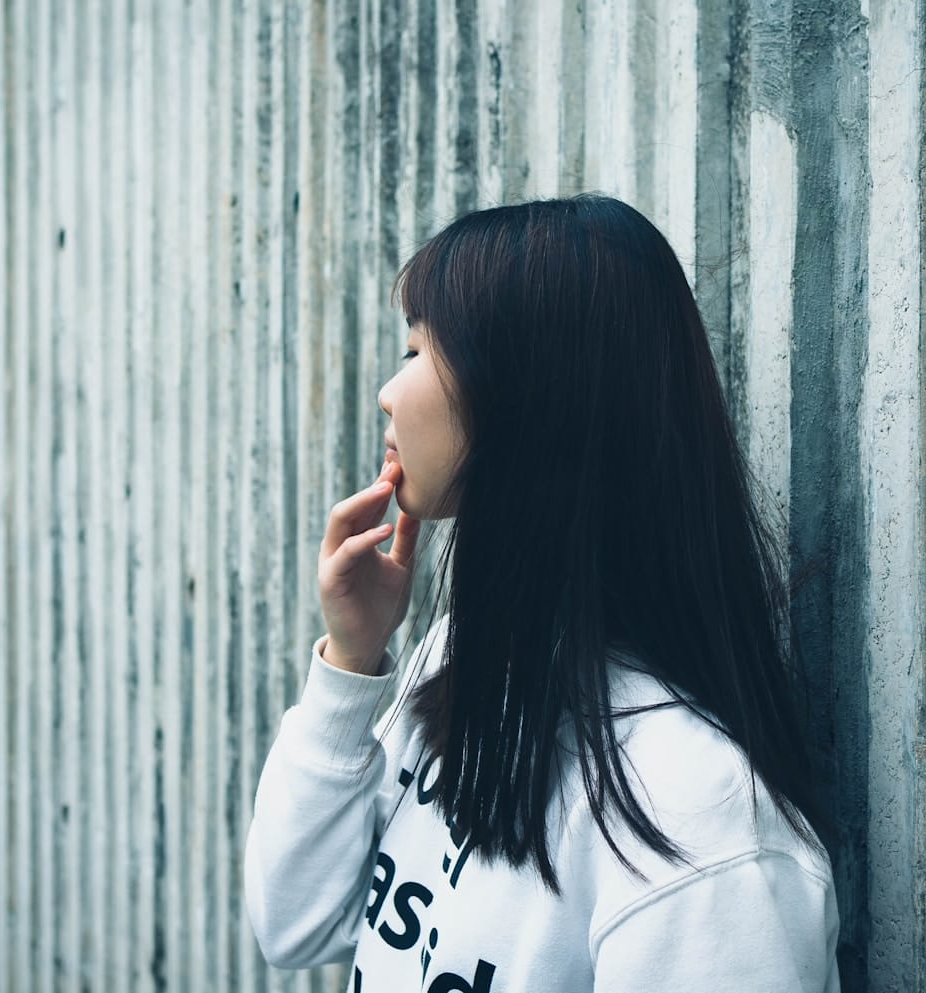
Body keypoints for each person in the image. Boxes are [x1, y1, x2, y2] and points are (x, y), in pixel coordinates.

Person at [243, 194, 840, 992]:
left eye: (419, 350)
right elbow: (294, 921)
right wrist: (352, 664)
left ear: (526, 396)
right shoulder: (471, 660)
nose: (389, 390)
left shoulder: (704, 828)